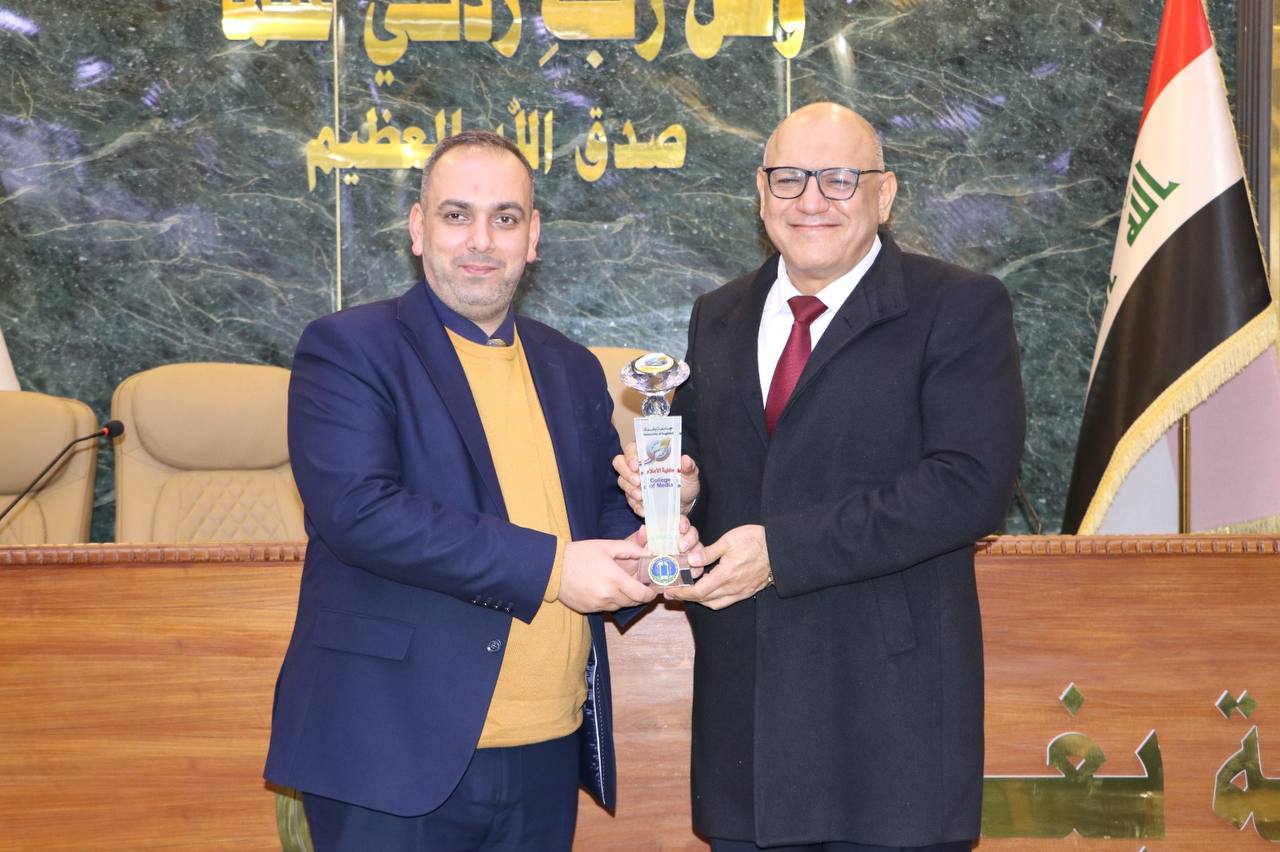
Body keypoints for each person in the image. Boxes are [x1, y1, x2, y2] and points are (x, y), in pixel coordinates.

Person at [616, 102, 1026, 851]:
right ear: (760, 192)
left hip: (888, 727)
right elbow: (720, 463)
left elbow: (969, 484)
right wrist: (683, 491)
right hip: (748, 724)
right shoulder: (719, 314)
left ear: (884, 194)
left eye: (839, 179)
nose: (811, 200)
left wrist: (783, 551)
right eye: (789, 178)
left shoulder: (956, 306)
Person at [266, 130, 678, 851]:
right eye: (456, 215)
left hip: (546, 748)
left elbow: (603, 516)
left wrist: (659, 526)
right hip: (391, 755)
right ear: (418, 229)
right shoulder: (349, 347)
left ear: (533, 237)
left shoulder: (570, 366)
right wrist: (555, 568)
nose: (481, 240)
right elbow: (360, 512)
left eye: (505, 218)